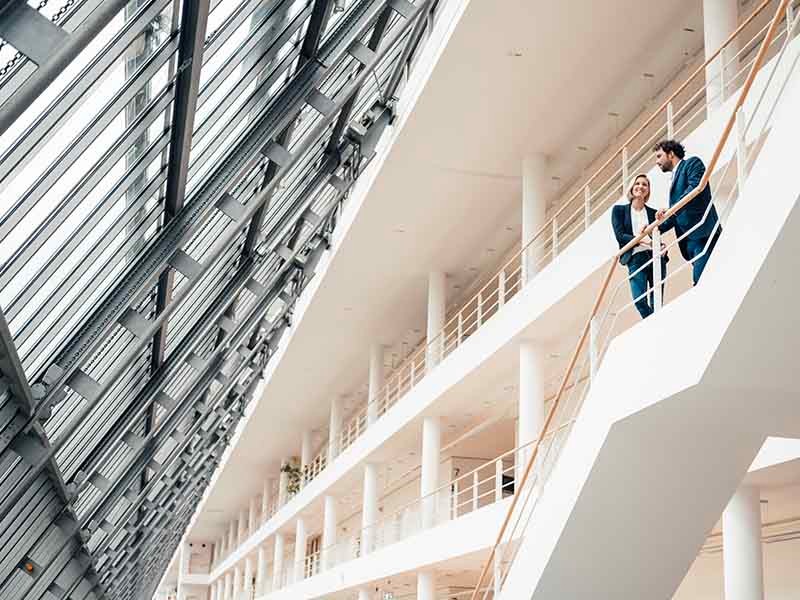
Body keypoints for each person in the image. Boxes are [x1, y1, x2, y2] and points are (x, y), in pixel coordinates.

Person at [652, 139, 721, 285]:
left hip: (703, 233)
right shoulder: (673, 180)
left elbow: (695, 186)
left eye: (659, 156)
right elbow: (675, 215)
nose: (656, 162)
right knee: (704, 280)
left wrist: (670, 210)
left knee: (700, 281)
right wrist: (654, 228)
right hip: (689, 241)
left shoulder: (692, 163)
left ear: (671, 154)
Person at [611, 174, 668, 319]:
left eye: (645, 184)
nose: (640, 187)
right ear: (632, 187)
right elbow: (620, 235)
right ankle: (653, 323)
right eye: (637, 183)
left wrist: (661, 245)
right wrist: (642, 240)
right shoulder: (619, 210)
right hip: (635, 258)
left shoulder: (652, 213)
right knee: (639, 301)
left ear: (648, 190)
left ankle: (655, 323)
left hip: (655, 256)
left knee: (657, 303)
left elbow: (662, 230)